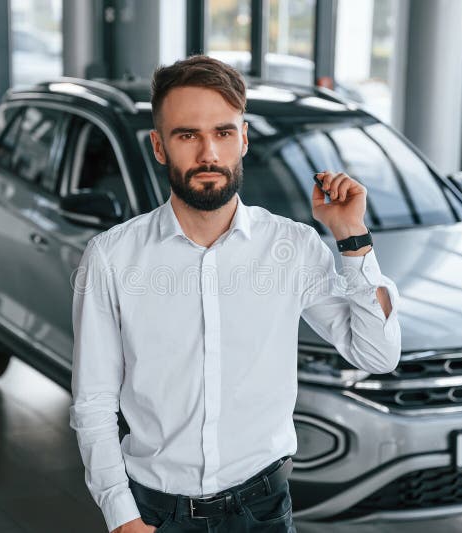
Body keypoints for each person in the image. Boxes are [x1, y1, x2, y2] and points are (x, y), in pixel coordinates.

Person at [69, 55, 401, 533]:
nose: (208, 154)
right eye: (187, 135)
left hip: (262, 511)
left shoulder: (293, 248)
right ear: (159, 147)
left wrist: (352, 238)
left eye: (223, 133)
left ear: (243, 139)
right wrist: (122, 517)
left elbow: (377, 354)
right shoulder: (111, 258)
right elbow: (93, 402)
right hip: (155, 513)